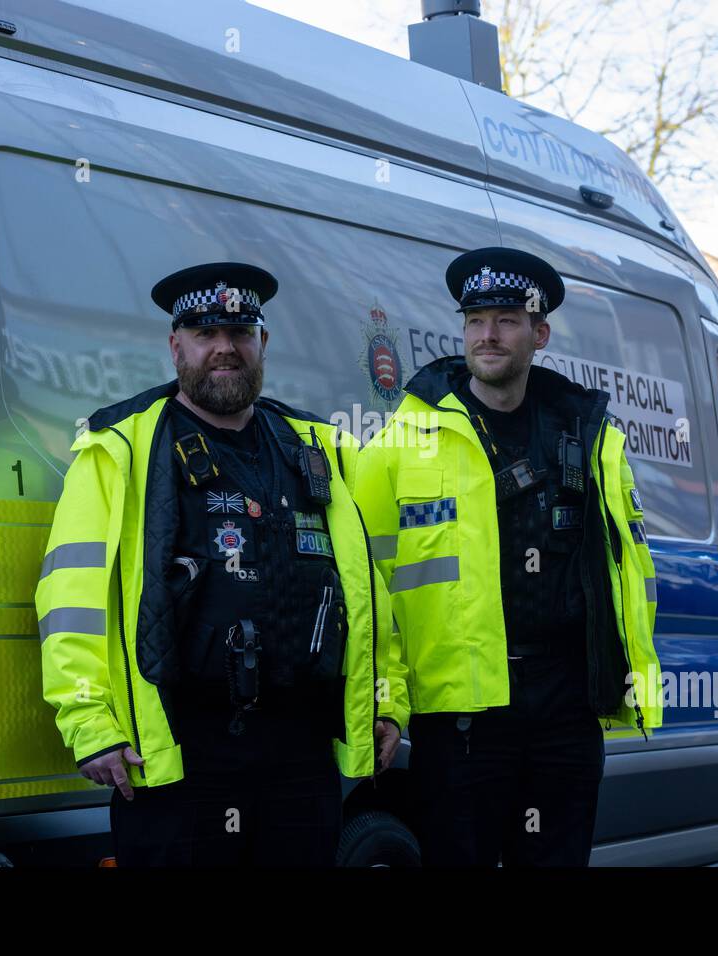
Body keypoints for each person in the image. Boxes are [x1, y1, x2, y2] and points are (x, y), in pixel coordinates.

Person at [37, 261, 408, 866]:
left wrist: (386, 700)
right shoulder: (122, 448)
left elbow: (366, 592)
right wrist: (89, 722)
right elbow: (69, 600)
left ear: (262, 343)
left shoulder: (315, 445)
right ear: (175, 345)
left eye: (239, 334)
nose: (223, 349)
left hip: (300, 754)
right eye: (206, 334)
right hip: (182, 751)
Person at [354, 246, 660, 867]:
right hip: (463, 717)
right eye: (474, 321)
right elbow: (367, 585)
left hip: (566, 708)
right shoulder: (399, 445)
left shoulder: (589, 436)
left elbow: (627, 572)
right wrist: (384, 698)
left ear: (539, 333)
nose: (487, 335)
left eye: (506, 320)